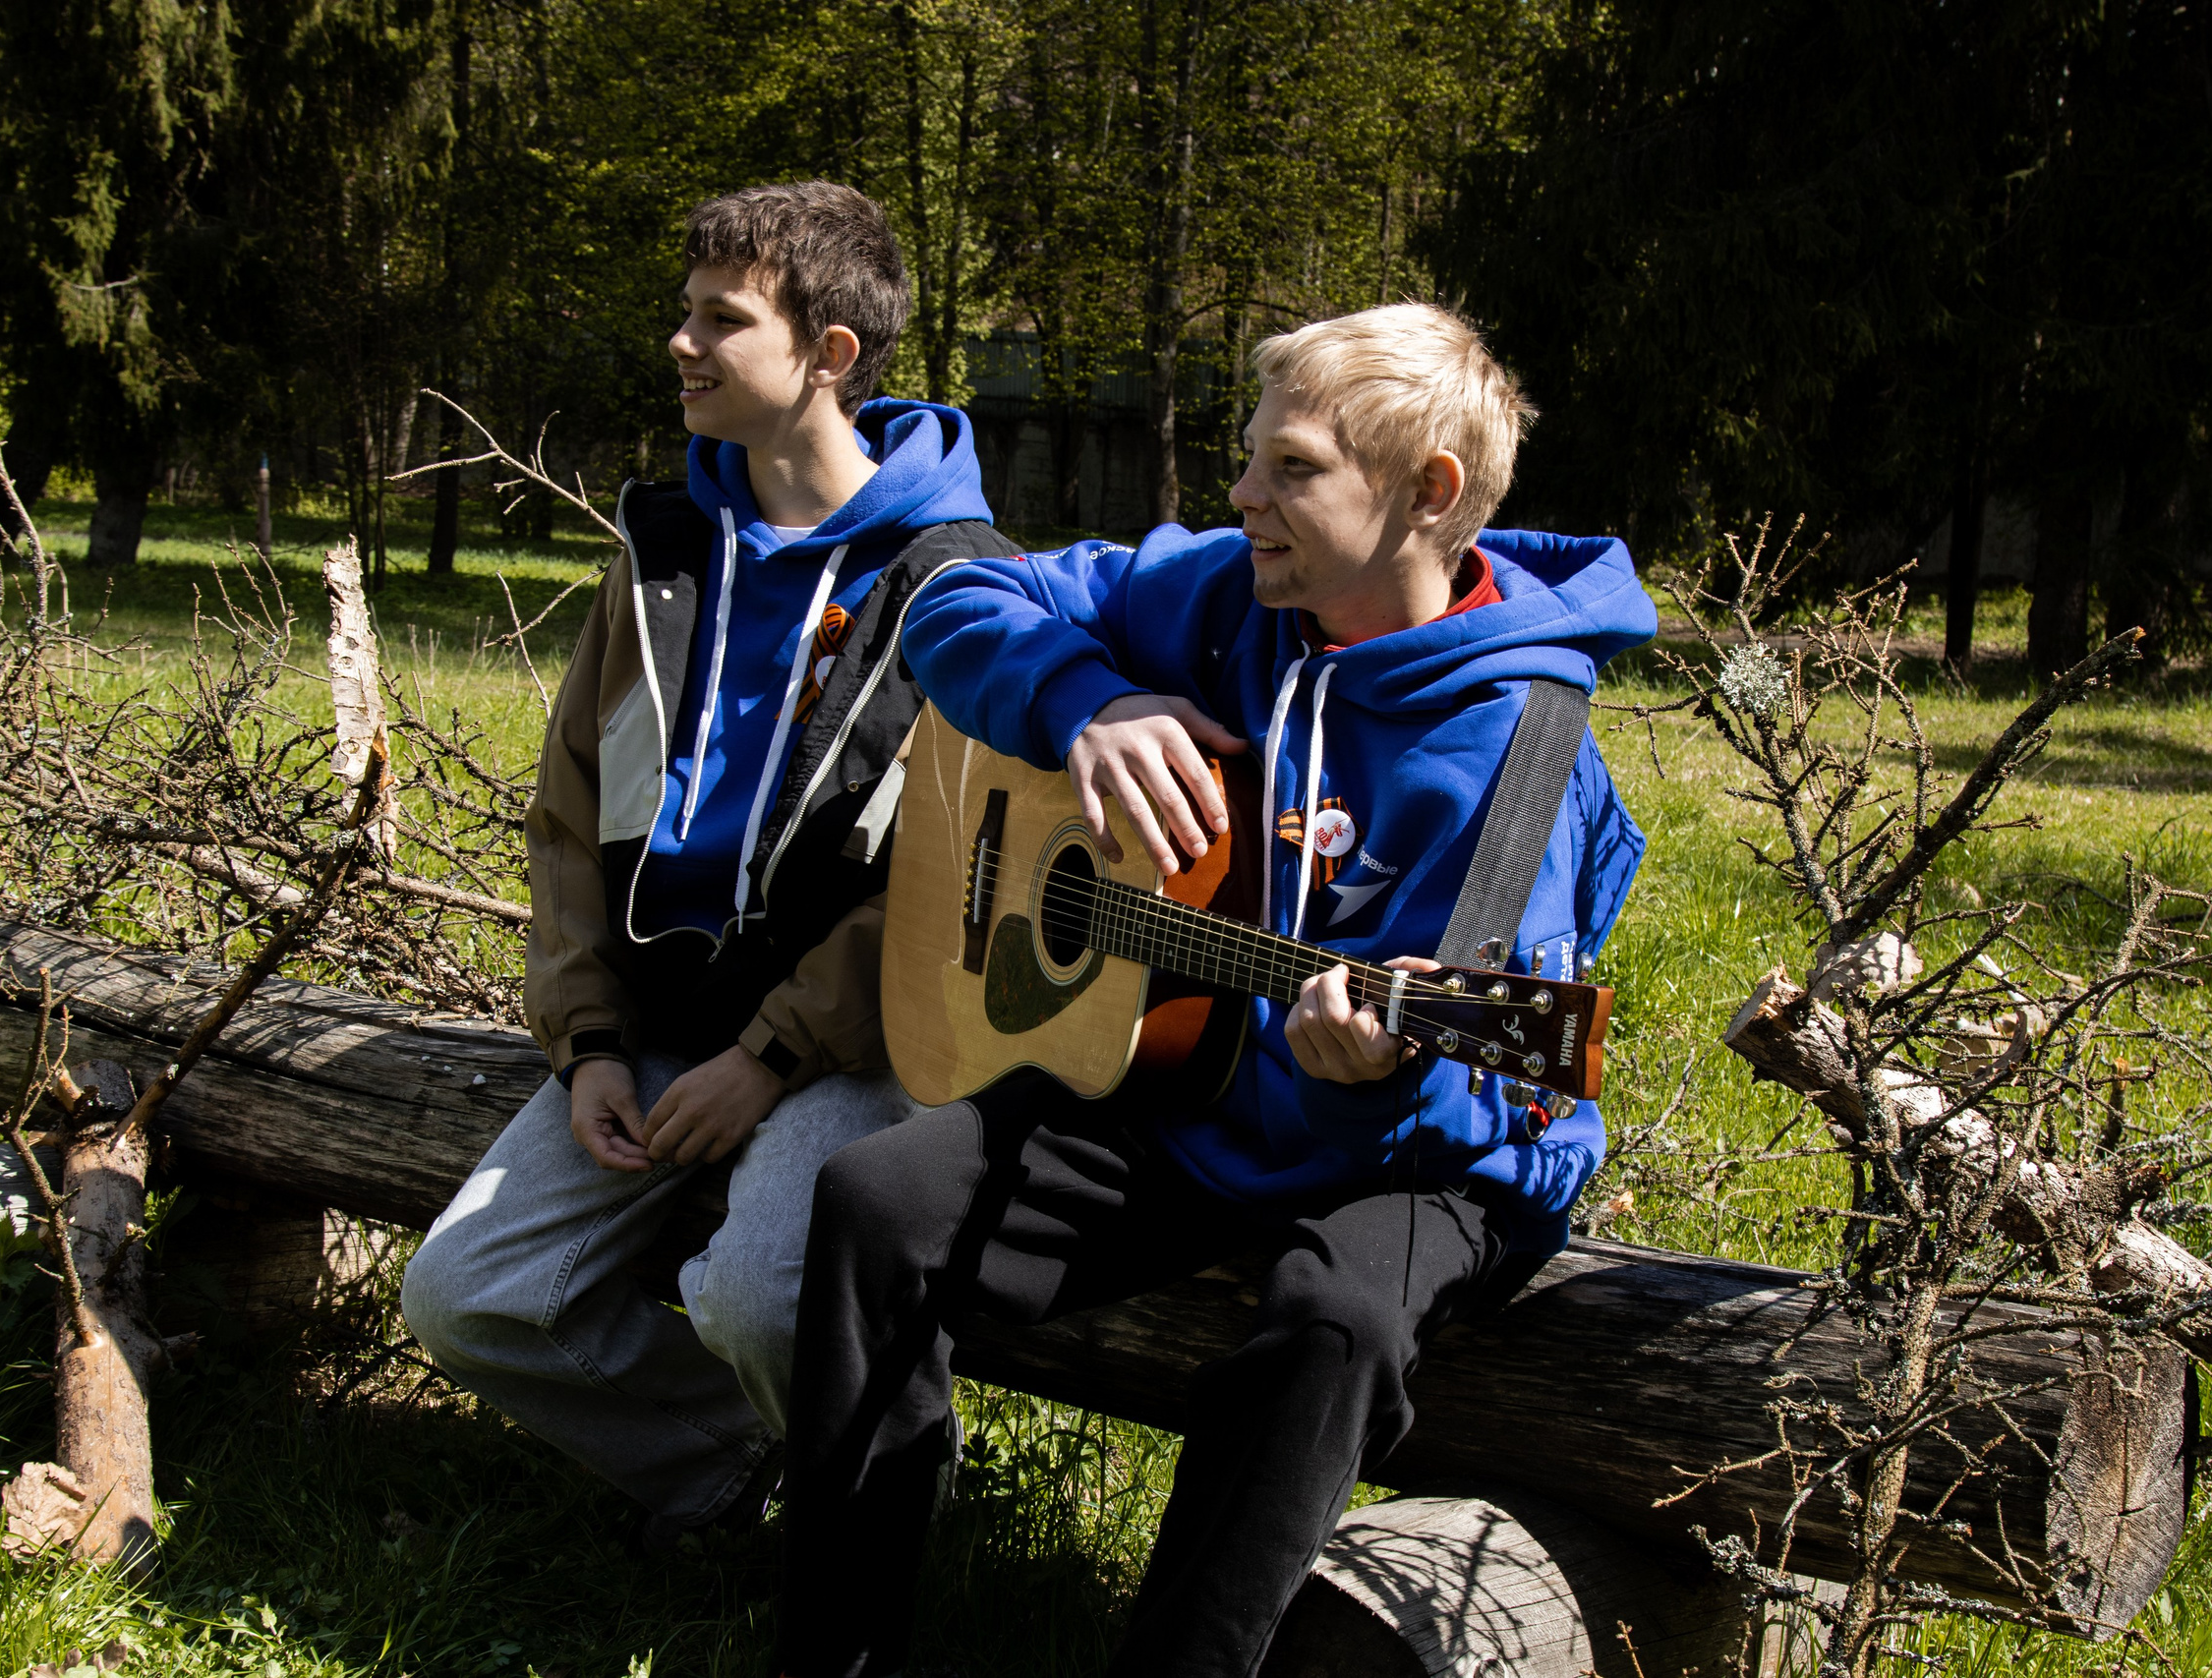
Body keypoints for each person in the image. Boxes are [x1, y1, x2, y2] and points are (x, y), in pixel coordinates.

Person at [771, 302, 1658, 1677]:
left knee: (1335, 1320)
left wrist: (1390, 1054)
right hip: (1189, 1093)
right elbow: (954, 596)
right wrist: (1083, 700)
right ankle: (841, 1650)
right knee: (877, 1204)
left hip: (1429, 1151)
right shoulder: (1221, 597)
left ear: (1428, 496)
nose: (1242, 493)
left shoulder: (1522, 744)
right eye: (1251, 459)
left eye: (1290, 469)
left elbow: (1487, 1052)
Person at [399, 181, 1018, 1545]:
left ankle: (904, 1528)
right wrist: (592, 1043)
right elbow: (570, 815)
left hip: (850, 1051)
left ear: (830, 355)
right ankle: (743, 1487)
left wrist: (777, 1056)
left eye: (720, 320)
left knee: (758, 1293)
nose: (680, 343)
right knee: (466, 1296)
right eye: (684, 313)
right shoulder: (664, 550)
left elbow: (953, 882)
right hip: (658, 1032)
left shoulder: (961, 582)